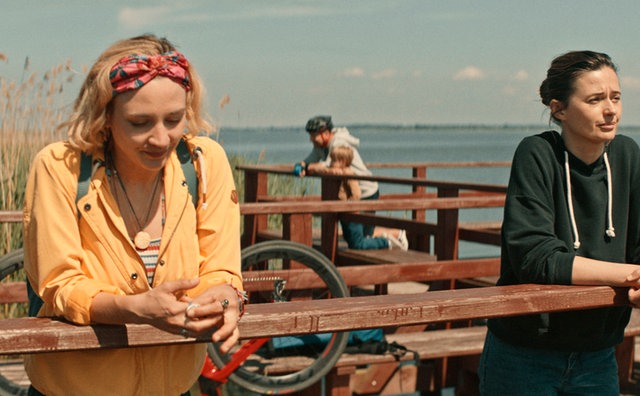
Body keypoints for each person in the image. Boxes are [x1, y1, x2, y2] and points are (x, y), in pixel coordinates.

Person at [23, 34, 244, 396]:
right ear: (104, 116)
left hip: (174, 387)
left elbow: (221, 268)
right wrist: (133, 308)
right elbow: (60, 285)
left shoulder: (205, 163)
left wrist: (226, 296)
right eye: (140, 123)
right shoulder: (58, 167)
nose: (160, 138)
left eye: (174, 119)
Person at [478, 51, 640, 395]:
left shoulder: (626, 156)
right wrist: (637, 275)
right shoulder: (536, 154)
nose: (610, 110)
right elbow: (536, 257)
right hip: (525, 355)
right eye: (595, 100)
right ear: (559, 109)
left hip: (597, 354)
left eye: (615, 97)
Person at [296, 115, 408, 250]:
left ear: (325, 134)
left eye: (313, 135)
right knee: (364, 236)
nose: (311, 139)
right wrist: (300, 166)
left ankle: (392, 239)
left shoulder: (339, 144)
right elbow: (309, 161)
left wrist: (310, 168)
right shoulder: (321, 147)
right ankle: (397, 234)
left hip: (365, 192)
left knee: (360, 239)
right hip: (352, 194)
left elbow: (329, 167)